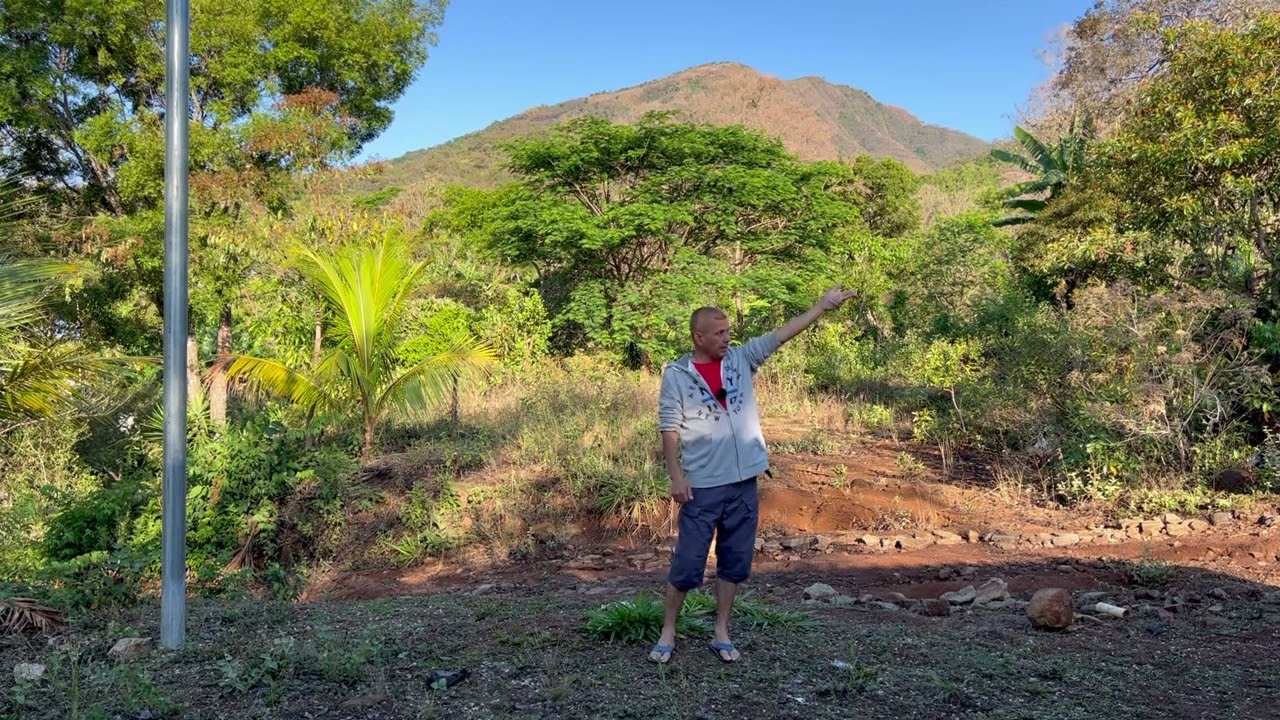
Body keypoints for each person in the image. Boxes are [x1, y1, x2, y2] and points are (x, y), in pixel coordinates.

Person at [649, 287, 858, 664]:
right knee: (688, 563)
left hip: (744, 482)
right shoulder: (677, 374)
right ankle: (668, 631)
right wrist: (676, 477)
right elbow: (669, 428)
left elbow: (782, 334)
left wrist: (821, 307)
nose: (727, 337)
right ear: (699, 337)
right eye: (719, 333)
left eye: (728, 331)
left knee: (735, 561)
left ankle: (721, 632)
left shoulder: (741, 359)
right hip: (702, 485)